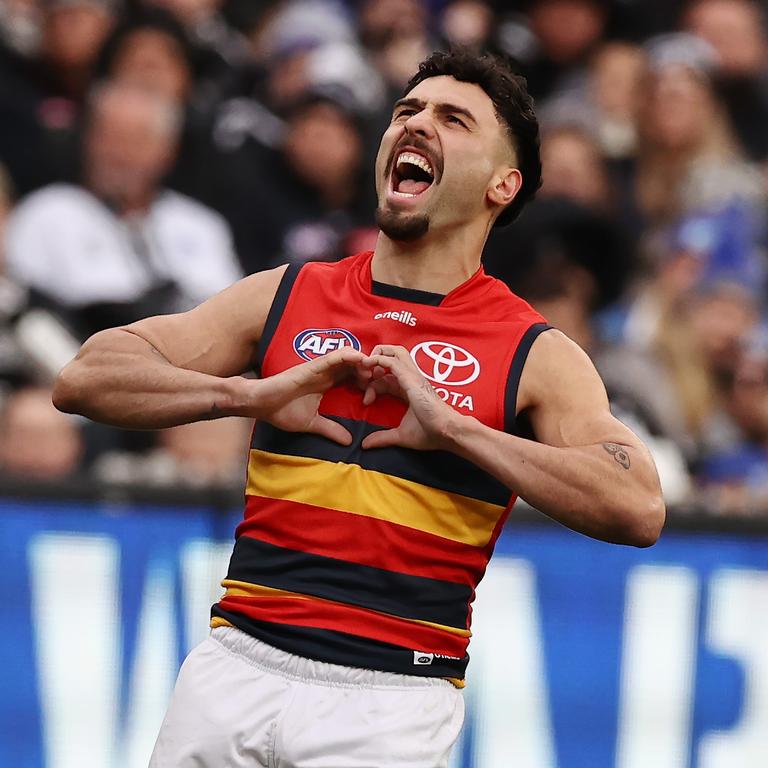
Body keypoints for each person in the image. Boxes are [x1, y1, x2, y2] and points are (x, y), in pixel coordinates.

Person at [52, 49, 665, 768]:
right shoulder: (288, 292)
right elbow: (86, 376)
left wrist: (456, 430)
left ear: (505, 183)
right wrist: (247, 395)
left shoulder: (534, 350)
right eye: (408, 111)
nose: (417, 125)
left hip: (393, 697)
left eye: (453, 118)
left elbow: (638, 505)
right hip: (233, 665)